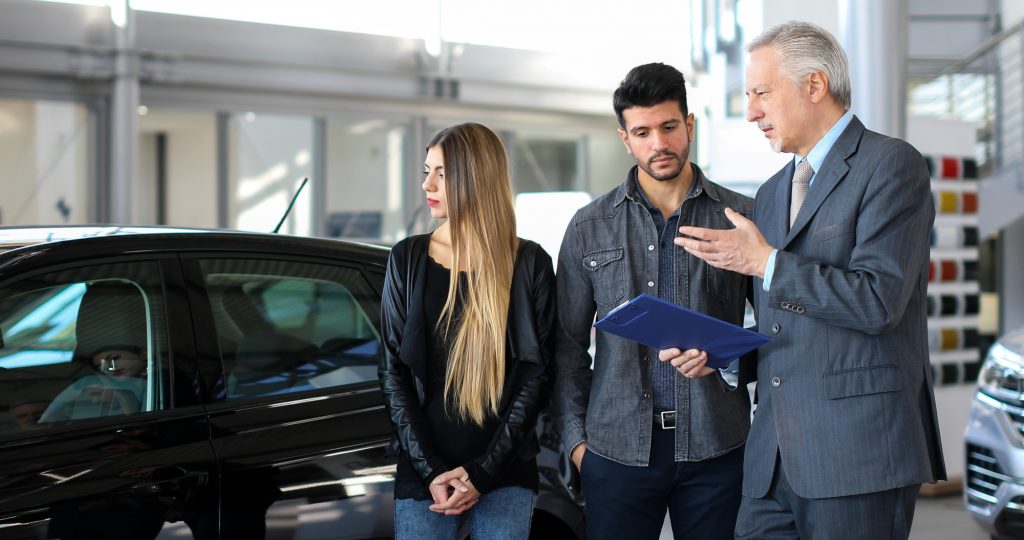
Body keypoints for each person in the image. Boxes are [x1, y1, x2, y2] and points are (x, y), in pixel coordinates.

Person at [672, 21, 946, 538]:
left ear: (814, 85)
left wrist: (765, 262)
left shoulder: (891, 165)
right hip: (772, 460)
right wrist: (722, 356)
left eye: (760, 93)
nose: (752, 110)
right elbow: (784, 326)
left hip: (858, 457)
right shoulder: (773, 191)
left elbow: (877, 302)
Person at [550, 63, 753, 540]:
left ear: (690, 126)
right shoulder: (588, 226)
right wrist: (578, 444)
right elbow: (565, 347)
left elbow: (781, 334)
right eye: (642, 132)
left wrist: (723, 360)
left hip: (716, 449)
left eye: (668, 127)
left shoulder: (741, 217)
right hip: (616, 451)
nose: (658, 144)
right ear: (625, 138)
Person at [379, 122, 555, 539]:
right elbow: (392, 372)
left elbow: (538, 377)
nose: (427, 183)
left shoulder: (529, 263)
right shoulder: (408, 258)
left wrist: (483, 473)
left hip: (505, 473)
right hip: (425, 477)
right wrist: (432, 470)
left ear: (475, 177)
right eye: (426, 170)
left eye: (441, 172)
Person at [40, 346, 148, 422]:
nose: (109, 368)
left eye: (115, 358)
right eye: (100, 366)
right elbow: (50, 417)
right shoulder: (141, 386)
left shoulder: (160, 378)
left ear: (144, 354)